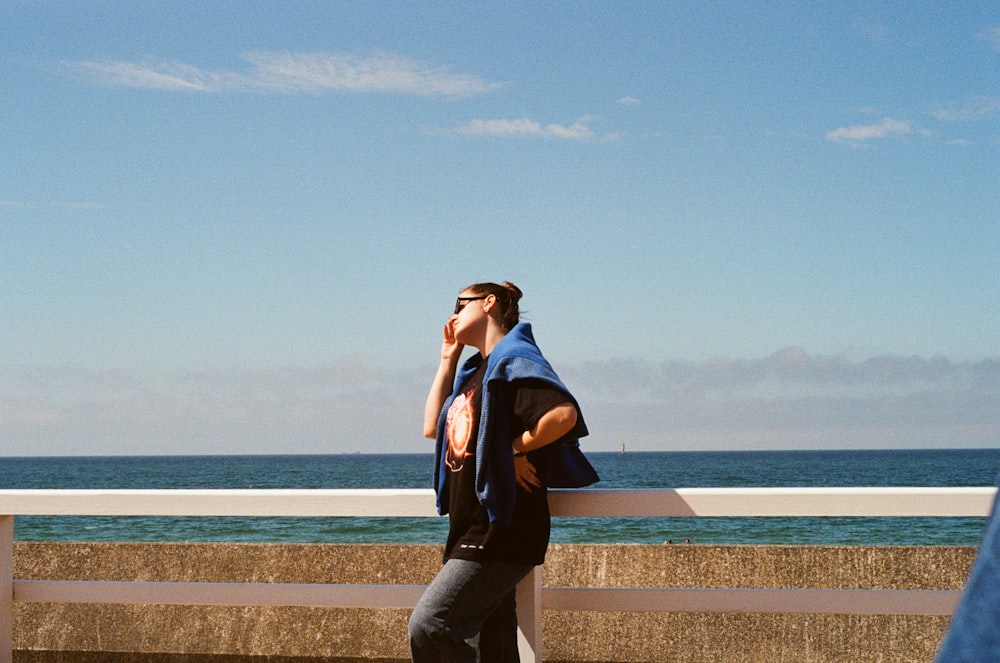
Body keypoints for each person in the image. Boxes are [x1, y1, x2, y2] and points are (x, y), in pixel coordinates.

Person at [408, 281, 596, 663]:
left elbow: (563, 415)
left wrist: (511, 448)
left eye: (461, 304)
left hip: (500, 530)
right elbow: (432, 426)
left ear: (489, 303)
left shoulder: (513, 358)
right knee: (493, 649)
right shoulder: (477, 370)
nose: (453, 314)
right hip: (473, 526)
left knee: (430, 625)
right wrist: (448, 359)